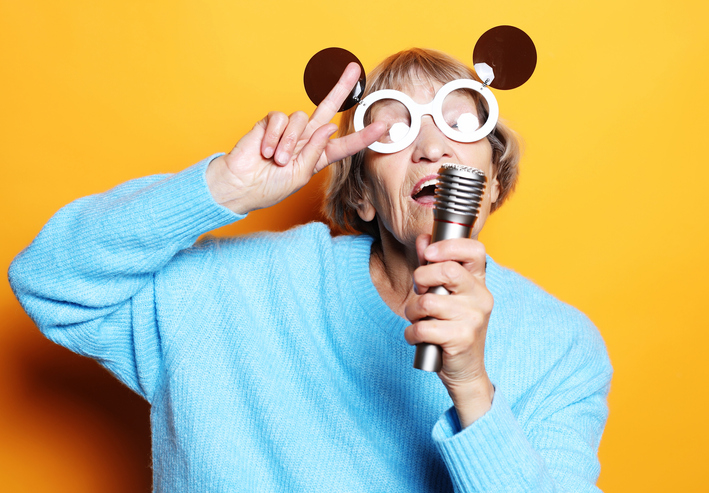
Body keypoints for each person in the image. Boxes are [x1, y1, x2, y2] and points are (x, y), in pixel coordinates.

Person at [9, 48, 612, 492]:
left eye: (460, 121)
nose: (433, 148)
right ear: (363, 199)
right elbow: (52, 283)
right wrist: (220, 188)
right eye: (395, 127)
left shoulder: (561, 347)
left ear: (493, 181)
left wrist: (471, 389)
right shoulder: (233, 291)